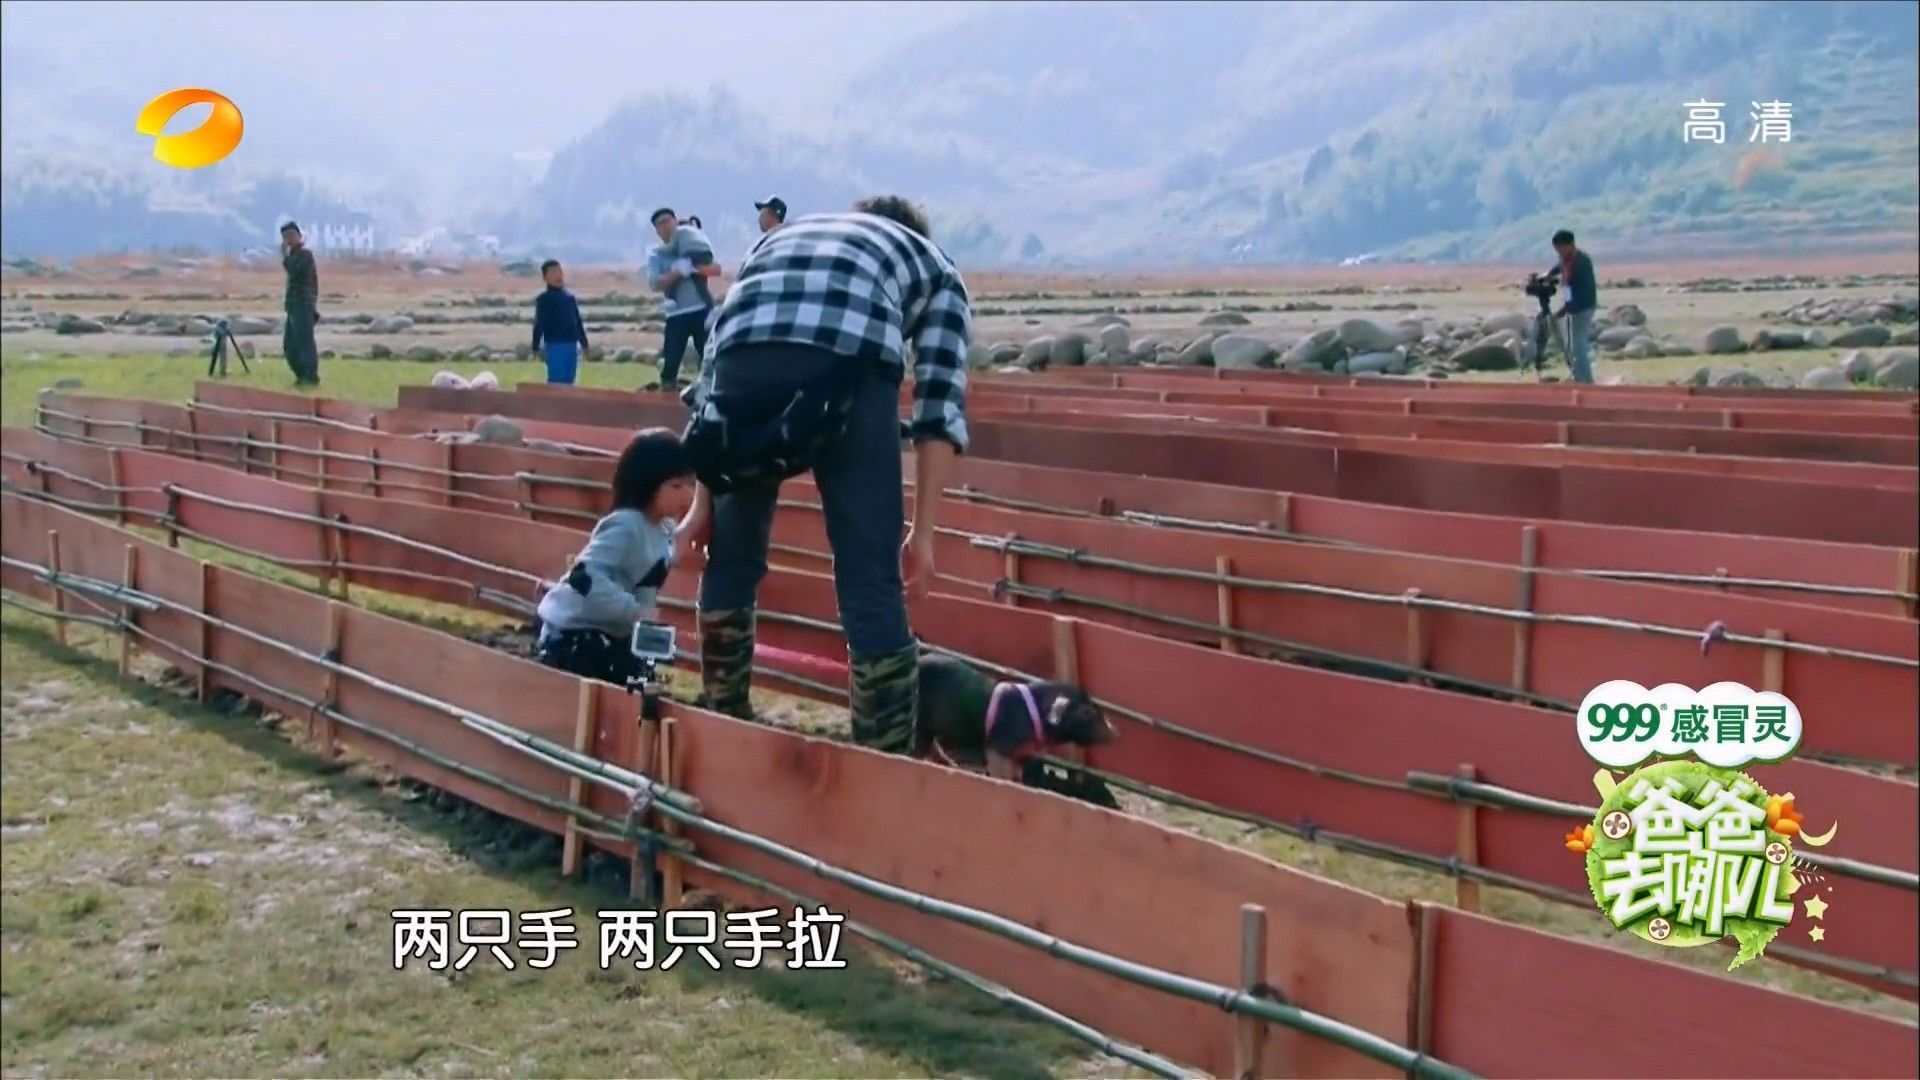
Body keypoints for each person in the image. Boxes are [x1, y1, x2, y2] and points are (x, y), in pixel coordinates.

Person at [676, 195, 972, 756]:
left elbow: (713, 384)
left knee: (732, 553)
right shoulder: (933, 264)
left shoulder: (779, 240)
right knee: (870, 575)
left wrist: (702, 505)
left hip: (744, 358)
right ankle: (884, 758)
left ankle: (723, 720)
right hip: (851, 361)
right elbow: (938, 408)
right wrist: (923, 533)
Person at [534, 428, 699, 686]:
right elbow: (584, 576)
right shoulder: (626, 525)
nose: (687, 494)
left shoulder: (663, 529)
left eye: (691, 484)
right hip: (576, 633)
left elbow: (646, 578)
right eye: (676, 486)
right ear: (646, 483)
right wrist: (633, 610)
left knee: (640, 683)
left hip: (614, 631)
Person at [644, 208, 722, 391]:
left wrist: (694, 268)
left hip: (702, 310)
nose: (665, 226)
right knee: (671, 362)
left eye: (668, 221)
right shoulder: (657, 255)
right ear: (657, 231)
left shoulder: (692, 246)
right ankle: (667, 395)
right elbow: (655, 284)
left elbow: (716, 269)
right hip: (676, 314)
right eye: (660, 224)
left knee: (710, 357)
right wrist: (676, 273)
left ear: (676, 222)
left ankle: (712, 392)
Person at [531, 259, 590, 385]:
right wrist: (535, 346)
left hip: (572, 345)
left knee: (569, 382)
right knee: (556, 382)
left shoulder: (570, 298)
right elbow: (539, 323)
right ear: (545, 277)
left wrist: (584, 344)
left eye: (560, 272)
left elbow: (577, 322)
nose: (558, 276)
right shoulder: (544, 299)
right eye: (553, 273)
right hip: (555, 345)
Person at [1551, 229, 1598, 384]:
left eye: (1560, 249)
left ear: (1570, 245)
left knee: (1578, 346)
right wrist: (1547, 275)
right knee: (1572, 345)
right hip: (1573, 307)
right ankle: (1578, 375)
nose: (1559, 253)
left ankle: (1585, 380)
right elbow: (1559, 267)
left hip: (1582, 308)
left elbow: (1577, 293)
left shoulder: (1580, 263)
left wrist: (1563, 311)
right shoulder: (1568, 259)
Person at [280, 222, 320, 387]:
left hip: (303, 305)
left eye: (291, 235)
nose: (289, 239)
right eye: (285, 237)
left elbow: (295, 270)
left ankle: (310, 377)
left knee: (304, 343)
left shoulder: (305, 255)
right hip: (293, 307)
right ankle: (301, 375)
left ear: (299, 236)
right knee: (289, 345)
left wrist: (284, 256)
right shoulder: (293, 255)